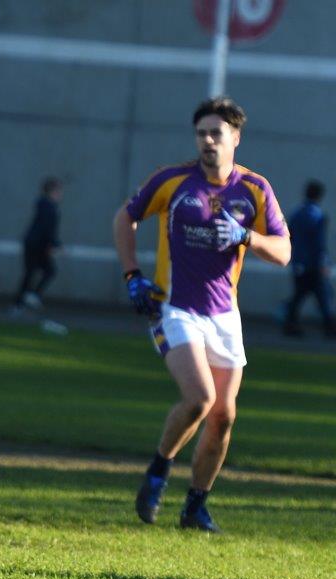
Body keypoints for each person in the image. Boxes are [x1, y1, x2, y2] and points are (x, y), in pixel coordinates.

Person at [111, 97, 290, 533]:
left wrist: (247, 236)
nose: (207, 141)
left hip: (225, 316)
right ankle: (158, 470)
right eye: (201, 133)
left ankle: (195, 506)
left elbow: (284, 252)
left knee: (224, 415)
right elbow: (126, 217)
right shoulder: (174, 181)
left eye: (217, 133)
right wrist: (132, 274)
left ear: (236, 138)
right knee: (200, 399)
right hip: (174, 308)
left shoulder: (255, 189)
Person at [282, 179, 334, 337]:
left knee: (300, 295)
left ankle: (290, 324)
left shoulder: (296, 213)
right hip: (313, 264)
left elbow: (289, 236)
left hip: (299, 263)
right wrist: (324, 263)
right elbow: (319, 244)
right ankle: (330, 328)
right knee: (322, 296)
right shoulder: (317, 216)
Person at [13, 177, 63, 311]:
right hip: (35, 245)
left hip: (36, 244)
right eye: (58, 190)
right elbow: (47, 229)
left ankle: (23, 301)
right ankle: (24, 301)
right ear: (52, 191)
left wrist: (53, 244)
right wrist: (55, 245)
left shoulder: (47, 205)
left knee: (35, 272)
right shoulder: (48, 207)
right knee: (38, 272)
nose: (60, 194)